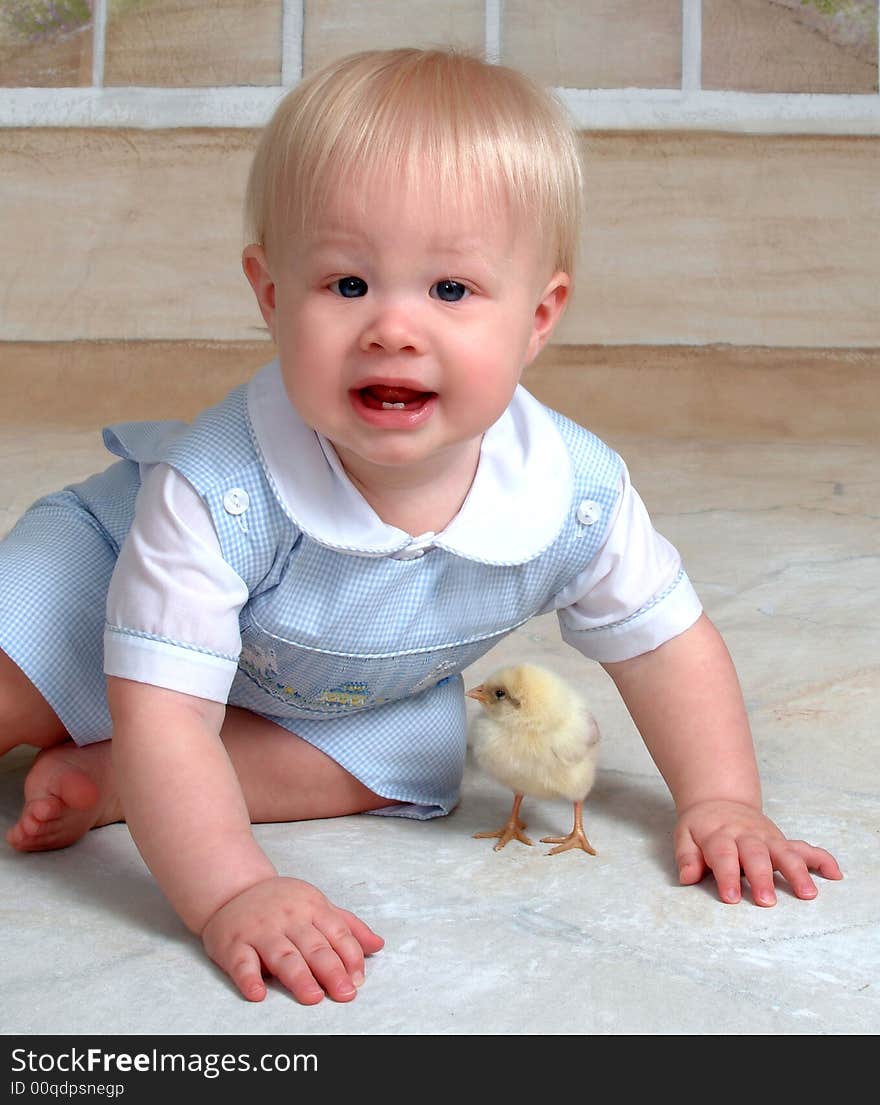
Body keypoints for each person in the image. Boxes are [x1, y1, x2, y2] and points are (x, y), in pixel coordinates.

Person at [0, 48, 841, 1005]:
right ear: (272, 296)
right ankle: (147, 771)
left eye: (450, 290)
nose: (393, 327)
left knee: (424, 748)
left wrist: (723, 799)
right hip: (101, 590)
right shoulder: (220, 488)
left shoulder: (573, 492)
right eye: (347, 285)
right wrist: (233, 889)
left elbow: (668, 648)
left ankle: (128, 788)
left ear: (538, 316)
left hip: (335, 689)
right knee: (23, 681)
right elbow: (167, 706)